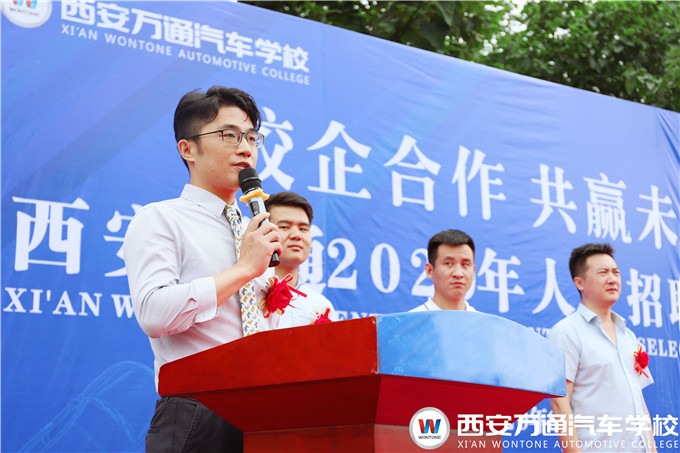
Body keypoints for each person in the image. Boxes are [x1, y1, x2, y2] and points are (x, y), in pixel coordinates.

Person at [123, 86, 282, 452]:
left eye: (252, 137)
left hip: (263, 413)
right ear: (187, 149)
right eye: (229, 135)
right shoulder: (161, 218)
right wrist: (244, 268)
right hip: (197, 410)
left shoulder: (254, 230)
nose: (246, 148)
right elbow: (153, 313)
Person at [548, 243, 656, 453]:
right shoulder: (567, 332)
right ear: (579, 282)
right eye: (603, 272)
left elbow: (639, 403)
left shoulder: (629, 336)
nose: (612, 279)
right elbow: (560, 404)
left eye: (616, 272)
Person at [264, 191, 338, 327]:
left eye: (303, 229)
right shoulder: (248, 294)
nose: (296, 235)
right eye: (284, 227)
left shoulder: (321, 306)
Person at [410, 229, 477, 312]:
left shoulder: (483, 320)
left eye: (465, 264)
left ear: (473, 272)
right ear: (429, 270)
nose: (458, 273)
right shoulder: (412, 319)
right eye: (448, 263)